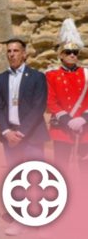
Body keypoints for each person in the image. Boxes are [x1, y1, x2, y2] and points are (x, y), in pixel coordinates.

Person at [0, 38, 49, 236]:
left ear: (24, 53)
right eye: (9, 51)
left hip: (31, 136)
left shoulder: (37, 77)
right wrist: (7, 132)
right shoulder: (0, 78)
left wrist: (21, 133)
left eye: (16, 50)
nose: (12, 54)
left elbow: (38, 106)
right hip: (10, 137)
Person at [46, 19, 88, 174]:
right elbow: (51, 101)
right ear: (61, 55)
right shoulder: (51, 75)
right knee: (61, 169)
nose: (72, 55)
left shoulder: (86, 73)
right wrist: (68, 121)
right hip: (62, 128)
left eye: (75, 53)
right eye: (68, 52)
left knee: (85, 170)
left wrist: (83, 118)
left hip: (85, 128)